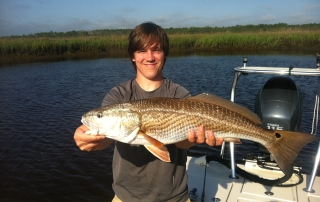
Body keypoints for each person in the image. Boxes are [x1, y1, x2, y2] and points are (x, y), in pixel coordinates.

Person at [74, 22, 224, 202]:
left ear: (165, 53)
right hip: (126, 197)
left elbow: (182, 144)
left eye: (156, 50)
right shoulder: (119, 95)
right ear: (132, 56)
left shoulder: (179, 94)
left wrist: (194, 138)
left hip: (174, 197)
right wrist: (87, 141)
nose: (149, 57)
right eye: (141, 51)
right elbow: (105, 138)